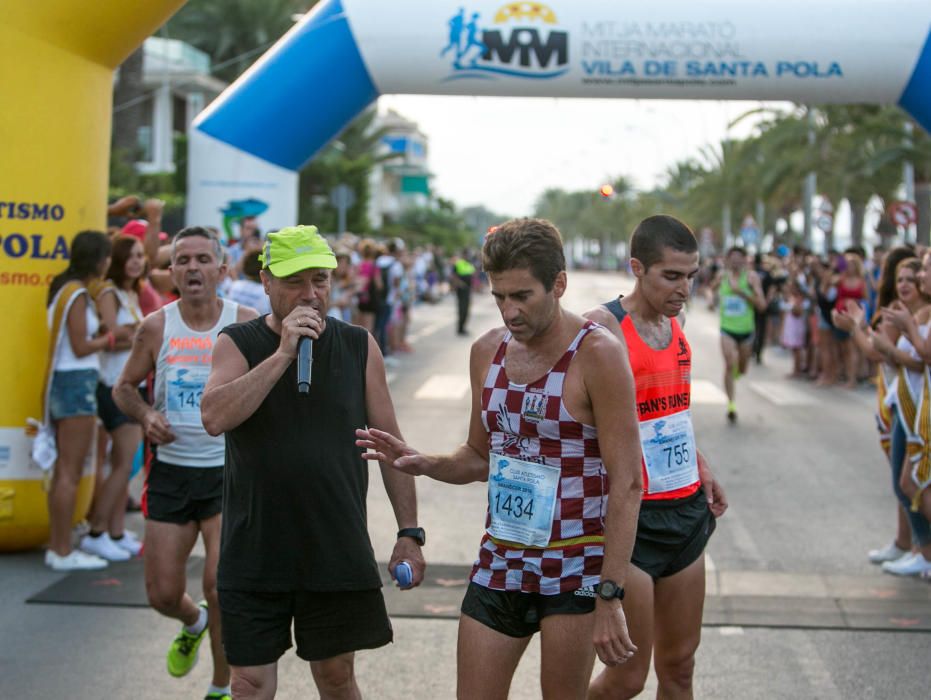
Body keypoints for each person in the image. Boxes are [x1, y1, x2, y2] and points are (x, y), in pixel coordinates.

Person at [356, 218, 643, 699]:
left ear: (559, 284)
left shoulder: (597, 354)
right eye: (499, 297)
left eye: (522, 296)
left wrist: (610, 594)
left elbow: (629, 482)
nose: (509, 311)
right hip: (502, 559)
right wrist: (424, 461)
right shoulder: (486, 351)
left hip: (575, 566)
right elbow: (478, 456)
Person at [199, 225, 425, 700]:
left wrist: (409, 533)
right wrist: (283, 353)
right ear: (265, 281)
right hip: (254, 548)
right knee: (247, 684)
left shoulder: (359, 345)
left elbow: (391, 448)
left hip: (333, 544)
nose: (310, 294)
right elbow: (214, 416)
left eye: (319, 280)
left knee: (337, 678)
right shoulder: (236, 343)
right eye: (295, 282)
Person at [584, 215, 728, 700]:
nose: (684, 287)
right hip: (632, 518)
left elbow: (670, 410)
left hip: (685, 507)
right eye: (671, 275)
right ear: (637, 268)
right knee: (627, 678)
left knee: (680, 667)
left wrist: (701, 463)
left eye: (691, 275)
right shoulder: (602, 328)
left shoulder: (677, 320)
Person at [114, 226, 256, 700]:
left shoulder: (246, 322)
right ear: (171, 270)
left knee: (220, 587)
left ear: (222, 269)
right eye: (183, 260)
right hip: (171, 471)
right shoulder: (156, 326)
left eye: (202, 259)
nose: (192, 268)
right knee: (160, 593)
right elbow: (123, 388)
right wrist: (147, 414)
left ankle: (220, 686)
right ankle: (191, 621)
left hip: (226, 474)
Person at [43, 231, 119, 571]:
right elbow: (80, 346)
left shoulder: (66, 290)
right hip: (76, 382)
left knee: (64, 470)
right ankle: (60, 550)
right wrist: (112, 337)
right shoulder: (75, 294)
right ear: (99, 259)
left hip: (66, 382)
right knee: (69, 472)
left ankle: (58, 546)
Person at [82, 235, 148, 562]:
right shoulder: (109, 292)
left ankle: (116, 532)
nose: (137, 261)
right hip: (114, 385)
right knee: (122, 465)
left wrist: (134, 334)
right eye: (131, 255)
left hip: (134, 383)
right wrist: (139, 335)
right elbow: (110, 336)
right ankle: (96, 531)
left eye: (140, 255)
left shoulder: (131, 293)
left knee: (127, 465)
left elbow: (132, 335)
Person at [711, 247, 766, 423]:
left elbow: (762, 305)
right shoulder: (722, 276)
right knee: (728, 363)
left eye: (739, 258)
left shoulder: (751, 278)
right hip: (727, 328)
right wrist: (713, 298)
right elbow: (711, 289)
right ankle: (731, 404)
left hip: (746, 330)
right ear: (727, 260)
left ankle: (737, 370)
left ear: (744, 260)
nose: (735, 261)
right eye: (732, 258)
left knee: (742, 369)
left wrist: (741, 292)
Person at [450, 248, 476, 336]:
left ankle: (463, 327)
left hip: (468, 290)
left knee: (467, 309)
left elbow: (472, 276)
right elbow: (453, 276)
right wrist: (459, 284)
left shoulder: (469, 264)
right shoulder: (458, 263)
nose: (467, 256)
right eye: (466, 254)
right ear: (463, 255)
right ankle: (460, 328)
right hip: (461, 290)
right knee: (462, 309)